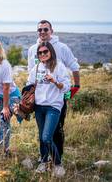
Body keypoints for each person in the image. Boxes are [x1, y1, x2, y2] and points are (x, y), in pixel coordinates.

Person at [28, 20, 80, 163]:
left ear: (51, 30)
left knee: (57, 128)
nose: (42, 32)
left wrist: (75, 88)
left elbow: (74, 66)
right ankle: (44, 158)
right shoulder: (33, 49)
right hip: (40, 100)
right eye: (40, 30)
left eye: (45, 29)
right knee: (43, 132)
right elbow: (31, 72)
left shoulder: (62, 48)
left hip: (57, 97)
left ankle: (58, 157)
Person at [29, 42, 70, 177]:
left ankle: (57, 164)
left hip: (53, 106)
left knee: (47, 137)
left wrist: (54, 81)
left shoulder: (59, 66)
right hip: (39, 106)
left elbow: (66, 88)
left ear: (51, 52)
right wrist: (30, 90)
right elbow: (29, 84)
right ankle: (44, 161)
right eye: (40, 53)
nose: (42, 54)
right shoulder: (36, 67)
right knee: (42, 136)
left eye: (45, 52)